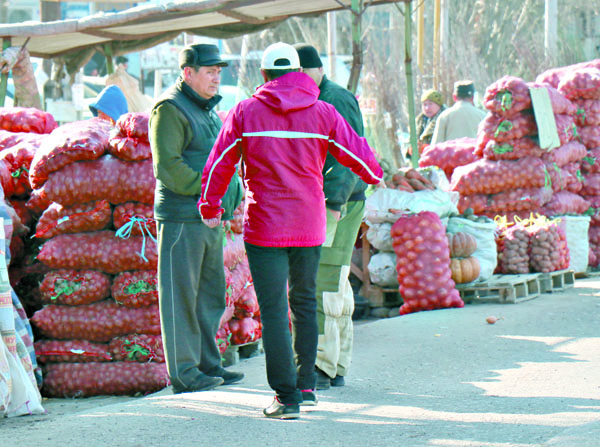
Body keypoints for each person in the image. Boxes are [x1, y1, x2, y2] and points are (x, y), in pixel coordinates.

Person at [198, 42, 384, 420]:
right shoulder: (322, 112)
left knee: (274, 310)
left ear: (264, 76)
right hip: (310, 224)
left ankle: (286, 398)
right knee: (304, 303)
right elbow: (364, 160)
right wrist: (373, 176)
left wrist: (209, 206)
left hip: (265, 226)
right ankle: (305, 387)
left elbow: (219, 163)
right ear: (298, 72)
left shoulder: (245, 113)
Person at [149, 43, 244, 394]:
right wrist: (210, 194)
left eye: (219, 71)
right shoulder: (170, 109)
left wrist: (226, 196)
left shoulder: (206, 110)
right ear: (187, 73)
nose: (216, 78)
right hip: (182, 218)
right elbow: (168, 168)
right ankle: (185, 373)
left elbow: (219, 161)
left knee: (209, 295)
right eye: (209, 71)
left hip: (208, 217)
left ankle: (208, 364)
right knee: (181, 297)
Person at [293, 43, 365, 391]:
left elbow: (349, 154)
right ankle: (335, 364)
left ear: (313, 70)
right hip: (330, 200)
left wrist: (333, 201)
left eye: (298, 74)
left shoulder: (334, 99)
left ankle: (322, 365)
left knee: (323, 281)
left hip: (337, 202)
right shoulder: (322, 96)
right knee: (334, 281)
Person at [430, 80, 486, 144]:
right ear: (472, 97)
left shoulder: (444, 116)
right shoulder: (482, 116)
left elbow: (435, 146)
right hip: (474, 153)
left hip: (450, 153)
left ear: (454, 97)